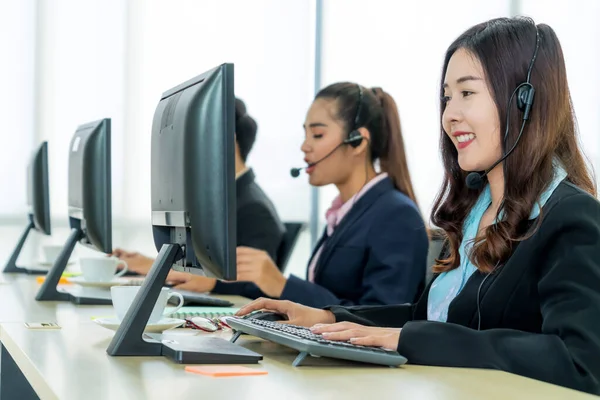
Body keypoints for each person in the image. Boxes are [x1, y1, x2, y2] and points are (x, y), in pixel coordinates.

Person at [236, 17, 600, 395]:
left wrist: (411, 340)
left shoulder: (571, 218)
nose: (449, 115)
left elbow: (580, 362)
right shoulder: (478, 210)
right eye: (447, 98)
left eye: (467, 93)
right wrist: (327, 317)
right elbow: (426, 318)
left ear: (524, 101)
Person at [201, 82, 429, 308]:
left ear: (357, 141)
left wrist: (282, 285)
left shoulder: (396, 215)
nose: (304, 146)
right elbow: (327, 299)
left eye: (317, 135)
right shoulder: (345, 212)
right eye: (305, 134)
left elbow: (381, 319)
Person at [112, 98, 285, 281]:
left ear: (226, 139)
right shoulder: (224, 198)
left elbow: (251, 283)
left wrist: (155, 269)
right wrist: (151, 264)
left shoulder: (255, 209)